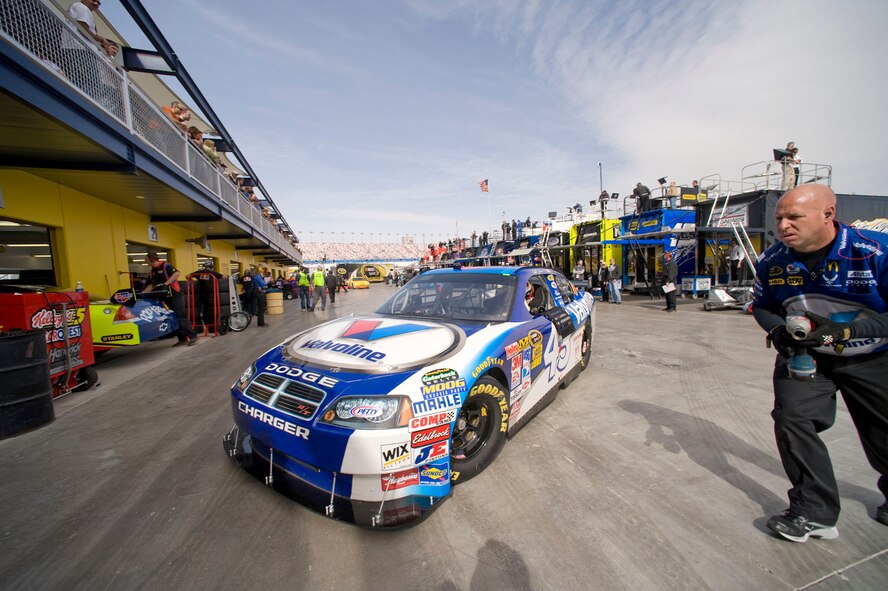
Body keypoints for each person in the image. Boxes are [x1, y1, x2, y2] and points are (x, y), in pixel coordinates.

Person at [751, 184, 888, 543]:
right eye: (779, 218)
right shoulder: (772, 260)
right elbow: (762, 305)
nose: (783, 226)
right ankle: (813, 511)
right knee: (792, 420)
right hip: (806, 356)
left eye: (794, 217)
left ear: (828, 215)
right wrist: (778, 330)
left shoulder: (874, 251)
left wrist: (844, 332)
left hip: (873, 356)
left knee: (883, 433)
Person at [143, 251, 197, 346]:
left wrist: (166, 284)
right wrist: (141, 295)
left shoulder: (165, 266)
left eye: (146, 259)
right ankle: (182, 338)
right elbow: (151, 285)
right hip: (164, 296)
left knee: (180, 315)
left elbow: (176, 273)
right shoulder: (152, 272)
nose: (145, 261)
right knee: (170, 317)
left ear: (151, 259)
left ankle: (193, 336)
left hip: (175, 294)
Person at [195, 260, 223, 334]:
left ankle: (208, 327)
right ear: (211, 266)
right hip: (212, 295)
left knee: (205, 310)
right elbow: (224, 277)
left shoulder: (199, 273)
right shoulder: (213, 273)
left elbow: (187, 276)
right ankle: (213, 328)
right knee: (213, 310)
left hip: (202, 295)